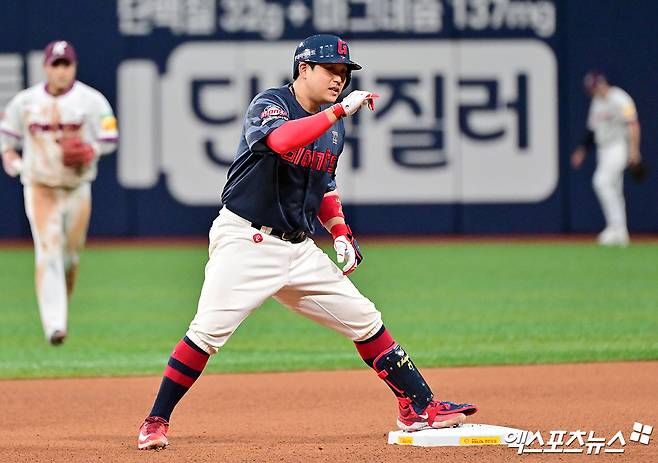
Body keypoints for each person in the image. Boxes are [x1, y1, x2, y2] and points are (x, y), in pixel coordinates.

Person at [137, 34, 477, 450]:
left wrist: (340, 231)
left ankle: (418, 407)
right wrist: (338, 111)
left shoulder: (334, 127)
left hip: (298, 249)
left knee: (365, 320)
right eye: (330, 70)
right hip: (247, 240)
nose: (339, 80)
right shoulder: (271, 104)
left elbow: (324, 185)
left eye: (344, 73)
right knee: (206, 333)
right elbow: (280, 141)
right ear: (304, 69)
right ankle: (156, 420)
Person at [0, 40, 118, 345]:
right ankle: (55, 325)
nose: (61, 71)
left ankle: (59, 309)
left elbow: (110, 136)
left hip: (77, 186)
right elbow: (6, 143)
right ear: (46, 67)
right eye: (56, 65)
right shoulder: (25, 102)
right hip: (40, 186)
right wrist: (16, 165)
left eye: (66, 64)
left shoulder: (91, 100)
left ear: (74, 67)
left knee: (70, 256)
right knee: (48, 251)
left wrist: (91, 150)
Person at [571, 71, 641, 246]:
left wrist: (634, 151)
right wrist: (582, 150)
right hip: (603, 148)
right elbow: (592, 130)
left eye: (594, 87)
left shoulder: (620, 98)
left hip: (618, 146)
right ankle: (620, 232)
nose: (593, 91)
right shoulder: (597, 102)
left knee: (601, 182)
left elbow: (633, 124)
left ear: (601, 84)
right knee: (614, 188)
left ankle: (615, 227)